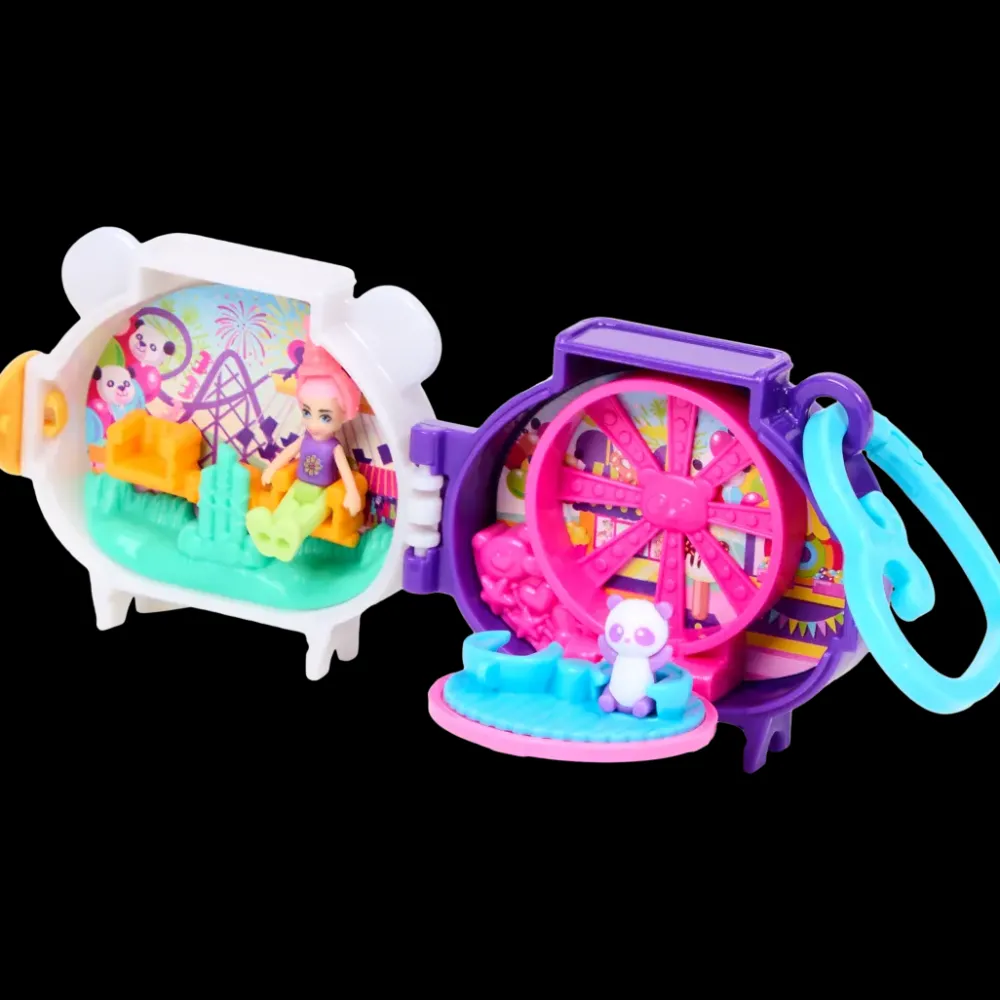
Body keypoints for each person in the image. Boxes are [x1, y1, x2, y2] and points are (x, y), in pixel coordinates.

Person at [246, 320, 363, 561]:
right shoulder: (305, 438)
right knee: (285, 509)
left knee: (304, 517)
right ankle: (268, 529)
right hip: (299, 486)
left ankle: (289, 537)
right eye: (307, 413)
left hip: (321, 493)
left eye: (325, 417)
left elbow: (345, 472)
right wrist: (272, 468)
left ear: (344, 415)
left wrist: (352, 494)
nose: (314, 424)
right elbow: (288, 453)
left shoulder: (333, 448)